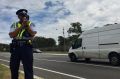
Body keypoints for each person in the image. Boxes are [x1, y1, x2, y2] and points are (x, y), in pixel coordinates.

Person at [9, 9, 37, 79]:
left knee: (28, 69)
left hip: (27, 47)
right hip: (16, 48)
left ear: (26, 16)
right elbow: (11, 35)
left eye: (24, 15)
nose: (22, 17)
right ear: (18, 16)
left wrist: (26, 26)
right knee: (13, 67)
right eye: (21, 15)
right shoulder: (14, 24)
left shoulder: (31, 24)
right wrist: (21, 27)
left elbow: (33, 34)